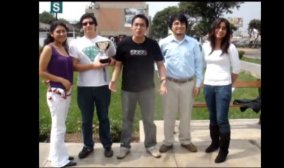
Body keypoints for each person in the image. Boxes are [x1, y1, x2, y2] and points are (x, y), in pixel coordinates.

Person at [109, 14, 167, 159]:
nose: (139, 27)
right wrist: (113, 80)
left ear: (146, 28)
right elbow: (118, 65)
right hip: (128, 90)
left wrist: (163, 80)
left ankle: (151, 145)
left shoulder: (153, 44)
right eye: (136, 25)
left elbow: (160, 64)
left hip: (147, 89)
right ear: (132, 26)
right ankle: (124, 146)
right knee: (127, 119)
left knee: (148, 119)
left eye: (142, 25)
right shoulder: (123, 44)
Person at [69, 13, 116, 159]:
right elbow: (74, 67)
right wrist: (93, 66)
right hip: (84, 87)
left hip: (102, 85)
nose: (87, 25)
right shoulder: (75, 43)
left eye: (90, 22)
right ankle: (88, 146)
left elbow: (114, 60)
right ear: (82, 26)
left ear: (95, 25)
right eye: (84, 23)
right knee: (86, 120)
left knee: (104, 117)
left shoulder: (105, 41)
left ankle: (107, 145)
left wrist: (107, 61)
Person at [158, 13, 204, 153]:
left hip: (188, 84)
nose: (179, 26)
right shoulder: (163, 43)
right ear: (171, 26)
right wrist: (162, 81)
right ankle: (168, 141)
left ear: (186, 26)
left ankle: (185, 140)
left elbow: (199, 64)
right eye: (176, 23)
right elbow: (158, 64)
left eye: (182, 23)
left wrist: (198, 84)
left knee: (186, 114)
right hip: (170, 83)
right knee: (169, 114)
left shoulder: (193, 43)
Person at [202, 18, 241, 163]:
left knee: (222, 119)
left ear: (227, 31)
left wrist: (228, 84)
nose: (220, 30)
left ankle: (224, 150)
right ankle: (214, 143)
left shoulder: (230, 47)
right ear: (213, 29)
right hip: (208, 86)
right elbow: (202, 64)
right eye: (218, 27)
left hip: (223, 86)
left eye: (224, 28)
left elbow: (236, 69)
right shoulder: (206, 46)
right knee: (212, 117)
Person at [39, 20, 76, 167]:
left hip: (65, 92)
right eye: (58, 31)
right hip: (56, 93)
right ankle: (57, 161)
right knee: (58, 127)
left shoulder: (64, 47)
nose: (61, 34)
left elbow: (53, 68)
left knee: (60, 126)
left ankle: (60, 155)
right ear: (52, 34)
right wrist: (60, 80)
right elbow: (41, 71)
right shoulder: (49, 48)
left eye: (63, 31)